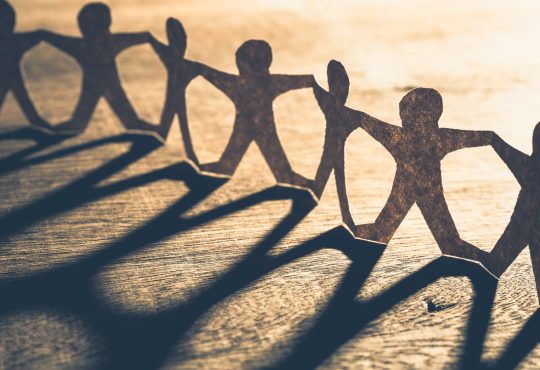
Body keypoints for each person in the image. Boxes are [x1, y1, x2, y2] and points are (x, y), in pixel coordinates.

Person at [353, 88, 495, 260]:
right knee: (449, 243)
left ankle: (347, 233)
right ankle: (489, 261)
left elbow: (365, 121)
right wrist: (496, 142)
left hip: (412, 192)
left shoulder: (401, 138)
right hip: (429, 194)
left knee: (381, 231)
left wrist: (349, 115)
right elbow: (485, 137)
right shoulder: (438, 138)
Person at [195, 39, 314, 189]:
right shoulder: (271, 82)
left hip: (247, 130)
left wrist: (198, 69)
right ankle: (310, 185)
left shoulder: (238, 84)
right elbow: (305, 80)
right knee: (281, 173)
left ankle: (310, 185)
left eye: (240, 65)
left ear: (244, 66)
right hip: (264, 131)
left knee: (226, 167)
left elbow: (212, 74)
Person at [41, 2, 159, 138]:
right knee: (127, 122)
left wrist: (40, 35)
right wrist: (161, 48)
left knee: (79, 123)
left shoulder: (83, 46)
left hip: (100, 86)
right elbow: (146, 36)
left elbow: (51, 38)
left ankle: (51, 133)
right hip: (103, 86)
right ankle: (148, 131)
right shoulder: (108, 43)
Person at [483, 124, 540, 302]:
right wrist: (493, 139)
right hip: (526, 226)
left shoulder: (527, 166)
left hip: (520, 225)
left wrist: (493, 139)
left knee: (492, 268)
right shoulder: (527, 166)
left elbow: (501, 147)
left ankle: (477, 299)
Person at [311, 60, 364, 230]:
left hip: (334, 148)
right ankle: (346, 218)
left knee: (327, 181)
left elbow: (312, 84)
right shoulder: (343, 110)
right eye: (341, 86)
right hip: (333, 149)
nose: (344, 90)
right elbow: (313, 85)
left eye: (344, 86)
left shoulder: (343, 110)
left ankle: (345, 217)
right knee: (332, 182)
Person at [149, 18, 200, 162]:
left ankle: (190, 155)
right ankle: (191, 156)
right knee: (177, 126)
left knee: (171, 127)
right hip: (174, 96)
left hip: (174, 95)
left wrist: (148, 37)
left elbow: (153, 41)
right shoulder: (173, 58)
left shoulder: (170, 56)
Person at [0, 1, 49, 131]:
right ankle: (36, 122)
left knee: (23, 98)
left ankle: (36, 121)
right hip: (12, 74)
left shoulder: (16, 41)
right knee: (23, 98)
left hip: (12, 75)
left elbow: (39, 35)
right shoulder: (17, 41)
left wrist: (44, 34)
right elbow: (40, 35)